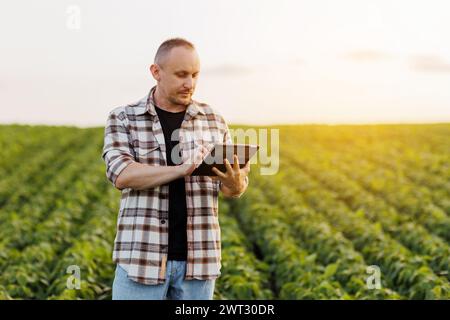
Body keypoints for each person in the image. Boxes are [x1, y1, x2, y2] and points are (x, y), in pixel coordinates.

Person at [101, 38, 250, 300]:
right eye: (181, 75)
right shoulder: (124, 118)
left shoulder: (213, 120)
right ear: (156, 72)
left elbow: (232, 189)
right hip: (141, 260)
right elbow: (122, 175)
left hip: (199, 264)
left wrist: (236, 182)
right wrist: (181, 169)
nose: (189, 83)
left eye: (194, 75)